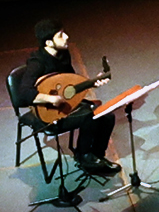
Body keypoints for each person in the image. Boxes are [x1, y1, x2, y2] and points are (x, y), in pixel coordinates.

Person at [14, 18, 120, 175]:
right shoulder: (37, 63)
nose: (67, 37)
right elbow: (23, 94)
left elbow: (70, 85)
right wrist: (51, 99)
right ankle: (84, 157)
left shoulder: (63, 54)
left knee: (107, 116)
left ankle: (97, 156)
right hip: (49, 114)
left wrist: (92, 83)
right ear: (48, 42)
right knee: (90, 117)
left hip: (67, 105)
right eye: (60, 35)